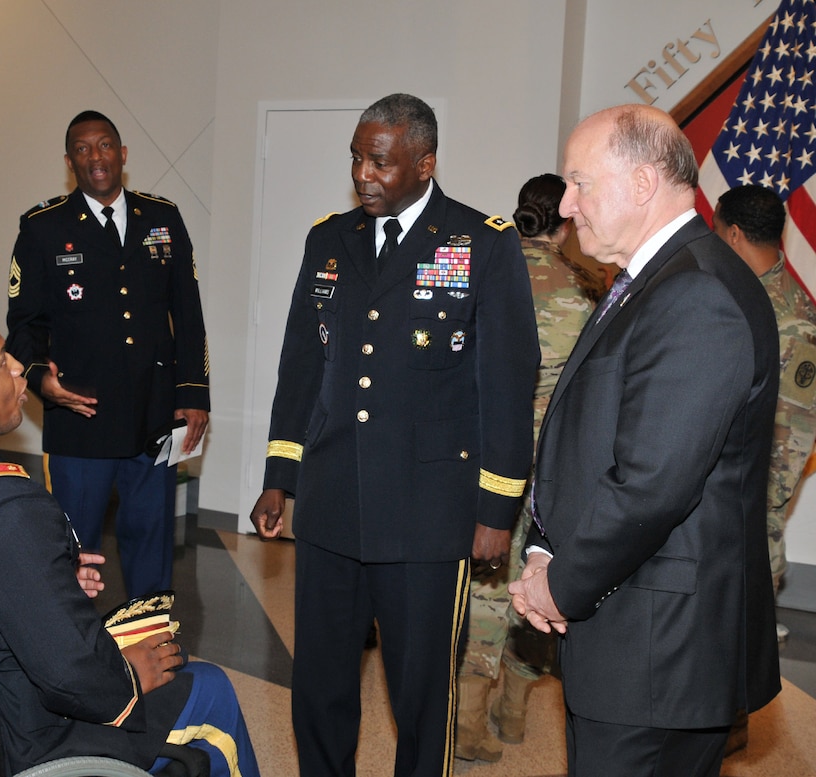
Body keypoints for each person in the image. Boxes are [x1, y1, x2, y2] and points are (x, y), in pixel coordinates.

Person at [0, 304, 260, 776]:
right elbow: (73, 677)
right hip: (9, 739)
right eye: (0, 361)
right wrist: (128, 679)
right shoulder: (3, 504)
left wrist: (40, 576)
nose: (20, 366)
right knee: (209, 686)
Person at [250, 93, 538, 776]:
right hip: (331, 502)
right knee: (319, 684)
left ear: (424, 162)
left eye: (379, 161)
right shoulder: (329, 238)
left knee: (420, 693)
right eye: (356, 158)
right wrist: (278, 474)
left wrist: (496, 510)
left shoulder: (481, 242)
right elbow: (301, 363)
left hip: (428, 513)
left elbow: (506, 384)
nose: (362, 174)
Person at [510, 104, 782, 777]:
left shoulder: (697, 293)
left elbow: (653, 484)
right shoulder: (656, 280)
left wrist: (560, 586)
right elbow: (593, 434)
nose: (567, 205)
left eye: (581, 183)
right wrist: (544, 545)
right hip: (636, 629)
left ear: (640, 184)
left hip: (661, 651)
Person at [6, 110, 209, 599]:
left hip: (153, 412)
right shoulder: (42, 227)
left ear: (122, 153)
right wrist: (40, 382)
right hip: (81, 415)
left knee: (152, 542)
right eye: (82, 148)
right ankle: (71, 656)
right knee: (74, 550)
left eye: (104, 146)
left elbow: (188, 312)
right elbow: (23, 324)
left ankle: (152, 638)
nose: (95, 157)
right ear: (69, 160)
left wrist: (194, 393)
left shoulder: (162, 217)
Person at [456, 173, 603, 762]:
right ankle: (511, 711)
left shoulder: (476, 273)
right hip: (550, 472)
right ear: (564, 222)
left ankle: (465, 719)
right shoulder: (588, 290)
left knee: (485, 586)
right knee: (537, 583)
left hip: (480, 460)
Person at [712, 183, 816, 754]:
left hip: (749, 505)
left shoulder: (794, 319)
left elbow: (793, 437)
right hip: (715, 490)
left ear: (730, 232)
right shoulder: (729, 290)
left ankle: (726, 730)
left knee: (737, 624)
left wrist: (757, 515)